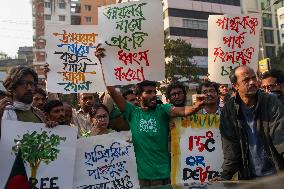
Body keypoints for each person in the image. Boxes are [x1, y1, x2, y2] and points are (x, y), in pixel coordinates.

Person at [106, 80, 205, 187]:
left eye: (154, 92)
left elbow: (183, 111)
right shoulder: (132, 112)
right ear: (139, 96)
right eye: (148, 92)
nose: (153, 95)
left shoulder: (162, 109)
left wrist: (196, 107)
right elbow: (112, 91)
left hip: (165, 176)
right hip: (142, 178)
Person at [219, 65, 284, 180]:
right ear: (235, 86)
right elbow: (230, 147)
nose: (252, 82)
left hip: (276, 175)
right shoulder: (229, 109)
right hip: (249, 178)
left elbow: (280, 138)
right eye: (246, 80)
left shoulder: (271, 102)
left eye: (254, 78)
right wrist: (225, 175)